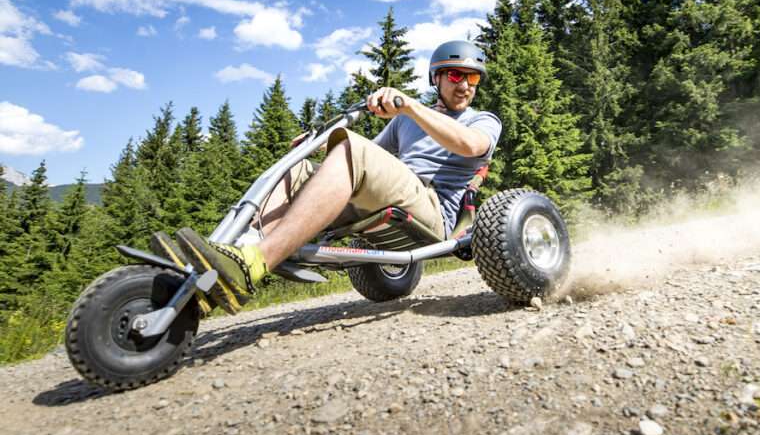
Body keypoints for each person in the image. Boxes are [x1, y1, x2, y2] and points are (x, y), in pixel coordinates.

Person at [150, 40, 502, 314]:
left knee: (351, 149)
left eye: (472, 78)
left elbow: (470, 146)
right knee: (295, 167)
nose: (466, 85)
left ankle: (253, 264)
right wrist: (317, 149)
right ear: (436, 78)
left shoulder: (481, 120)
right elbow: (361, 160)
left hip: (432, 210)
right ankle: (235, 256)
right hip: (391, 197)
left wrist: (410, 105)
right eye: (456, 75)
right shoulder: (404, 122)